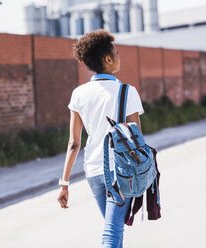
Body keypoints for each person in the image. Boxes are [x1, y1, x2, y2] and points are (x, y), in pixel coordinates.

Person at [57, 29, 144, 248]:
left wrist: (64, 184)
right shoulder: (127, 91)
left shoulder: (79, 94)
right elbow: (137, 138)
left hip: (94, 173)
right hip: (119, 172)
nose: (118, 56)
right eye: (116, 52)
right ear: (107, 59)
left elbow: (74, 143)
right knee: (111, 235)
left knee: (114, 229)